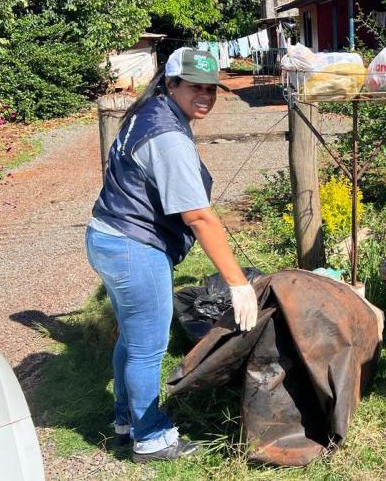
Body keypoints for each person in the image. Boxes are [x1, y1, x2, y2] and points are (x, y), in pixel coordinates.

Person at [85, 47, 260, 463]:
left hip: (107, 237)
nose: (205, 95)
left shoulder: (150, 113)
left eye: (211, 89)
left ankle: (125, 419)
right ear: (170, 82)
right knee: (148, 348)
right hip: (133, 247)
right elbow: (199, 217)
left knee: (132, 337)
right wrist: (238, 284)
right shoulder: (166, 135)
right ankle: (151, 437)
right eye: (194, 87)